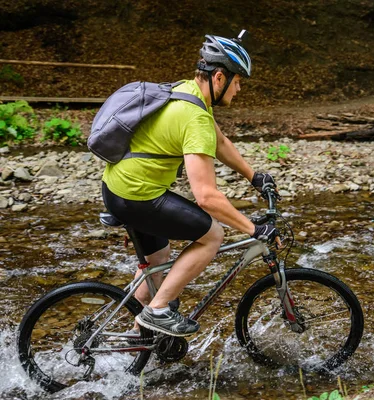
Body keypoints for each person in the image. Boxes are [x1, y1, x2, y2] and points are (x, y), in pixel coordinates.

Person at [101, 31, 279, 337]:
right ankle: (157, 313)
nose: (239, 89)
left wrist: (253, 175)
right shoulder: (193, 116)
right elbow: (207, 197)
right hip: (137, 195)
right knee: (212, 235)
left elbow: (219, 140)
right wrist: (253, 229)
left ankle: (138, 344)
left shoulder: (188, 93)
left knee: (157, 266)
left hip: (120, 188)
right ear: (220, 77)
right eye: (238, 81)